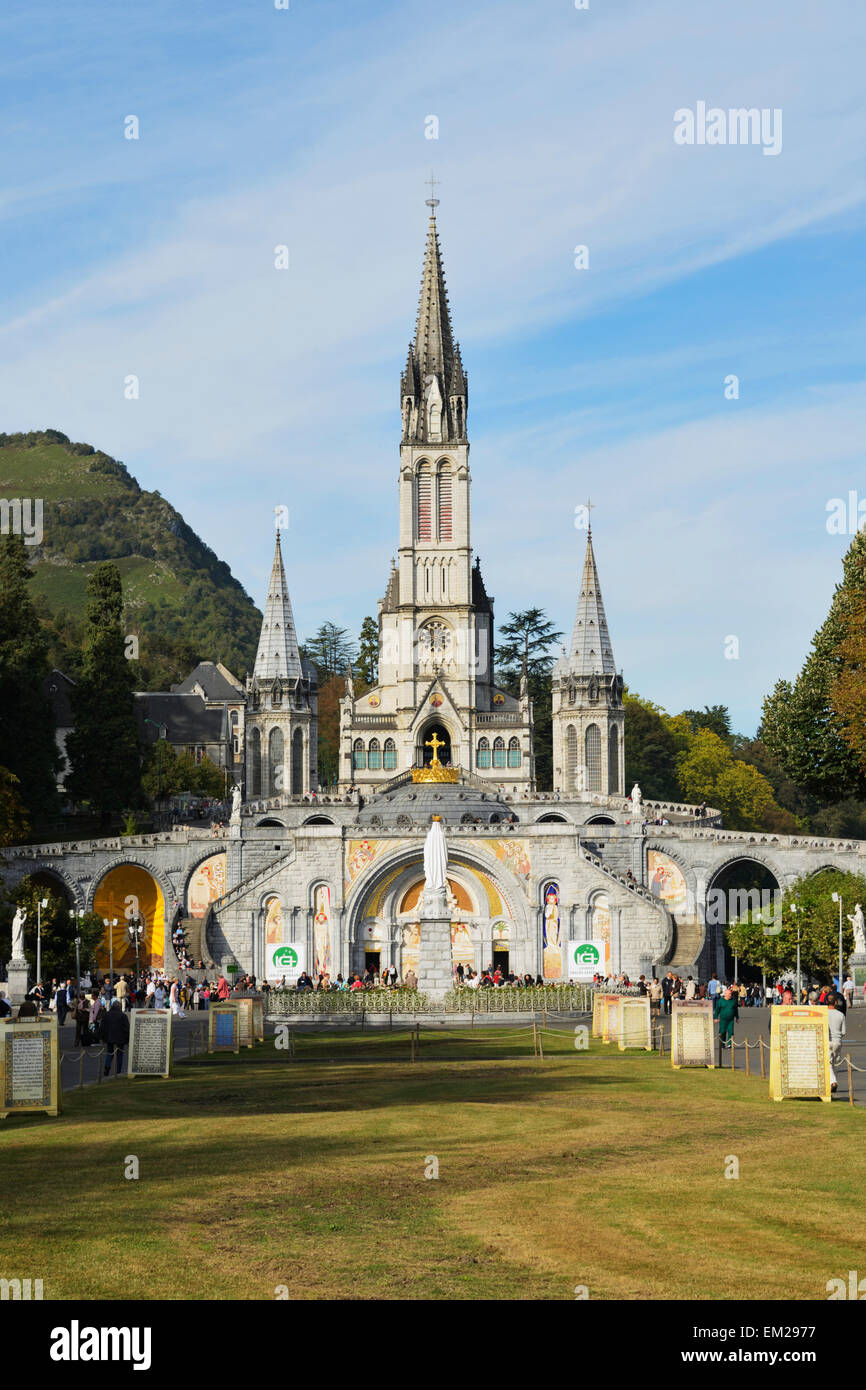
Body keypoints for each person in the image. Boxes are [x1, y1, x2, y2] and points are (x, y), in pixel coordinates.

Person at [102, 999, 131, 1076]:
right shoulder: (123, 1016)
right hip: (120, 1038)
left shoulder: (107, 1015)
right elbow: (126, 1028)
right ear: (120, 1007)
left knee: (110, 1053)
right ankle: (118, 1071)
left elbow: (103, 1027)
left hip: (109, 1037)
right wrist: (127, 1039)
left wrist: (103, 1037)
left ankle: (107, 1066)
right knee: (119, 1055)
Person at [827, 993, 846, 1094]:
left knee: (828, 1063)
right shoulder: (841, 1015)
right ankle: (832, 1083)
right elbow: (843, 1032)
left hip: (828, 1040)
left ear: (826, 1002)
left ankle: (833, 1082)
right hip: (837, 1041)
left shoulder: (823, 1014)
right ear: (835, 1003)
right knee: (835, 1063)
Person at [713, 985, 739, 1049]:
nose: (730, 995)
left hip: (731, 1020)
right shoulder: (720, 1001)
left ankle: (729, 1044)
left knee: (731, 1032)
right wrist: (715, 1018)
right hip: (723, 1020)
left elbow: (735, 1010)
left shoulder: (733, 1001)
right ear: (725, 994)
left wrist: (737, 1017)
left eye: (731, 993)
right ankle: (722, 1044)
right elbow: (717, 1010)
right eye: (729, 994)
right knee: (722, 1032)